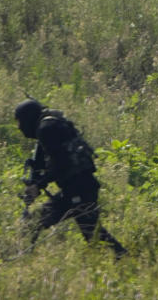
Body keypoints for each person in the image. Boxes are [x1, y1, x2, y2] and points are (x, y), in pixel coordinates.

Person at [14, 99, 127, 257]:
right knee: (34, 223)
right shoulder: (48, 126)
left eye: (19, 122)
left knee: (93, 234)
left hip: (79, 190)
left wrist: (38, 186)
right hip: (76, 189)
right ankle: (23, 259)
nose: (19, 127)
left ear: (28, 118)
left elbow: (60, 163)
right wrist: (35, 182)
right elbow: (43, 161)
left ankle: (126, 260)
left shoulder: (46, 129)